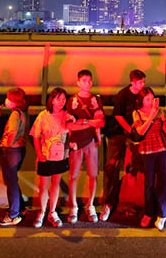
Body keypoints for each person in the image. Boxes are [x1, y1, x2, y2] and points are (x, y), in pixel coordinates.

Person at [101, 69, 146, 221]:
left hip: (134, 133)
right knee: (112, 166)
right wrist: (130, 129)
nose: (142, 85)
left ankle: (132, 196)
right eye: (140, 82)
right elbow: (118, 115)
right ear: (133, 82)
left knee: (137, 163)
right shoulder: (123, 94)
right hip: (118, 133)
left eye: (143, 82)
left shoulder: (142, 94)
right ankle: (108, 203)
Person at [65, 70, 105, 223]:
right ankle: (73, 206)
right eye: (84, 80)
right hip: (75, 142)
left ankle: (91, 205)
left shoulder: (96, 99)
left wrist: (82, 122)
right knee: (73, 175)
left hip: (92, 142)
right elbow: (69, 125)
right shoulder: (72, 101)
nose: (87, 83)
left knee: (93, 175)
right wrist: (88, 123)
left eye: (89, 80)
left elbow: (100, 122)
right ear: (78, 82)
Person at [30, 87, 73, 228]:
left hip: (60, 156)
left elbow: (72, 133)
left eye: (64, 99)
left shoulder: (67, 115)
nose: (61, 102)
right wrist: (39, 154)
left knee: (56, 184)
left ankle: (52, 212)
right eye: (58, 99)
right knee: (44, 186)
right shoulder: (43, 115)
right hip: (45, 155)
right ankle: (42, 211)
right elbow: (36, 136)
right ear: (52, 100)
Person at [132, 87, 166, 231]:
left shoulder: (159, 111)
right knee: (148, 183)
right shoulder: (137, 113)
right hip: (146, 150)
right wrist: (150, 116)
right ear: (142, 100)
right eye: (147, 99)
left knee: (162, 181)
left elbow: (164, 130)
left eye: (152, 98)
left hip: (161, 148)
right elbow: (140, 131)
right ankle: (148, 212)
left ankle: (163, 214)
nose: (150, 102)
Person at [0, 87, 27, 226]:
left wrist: (6, 144)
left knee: (11, 183)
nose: (6, 101)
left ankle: (13, 214)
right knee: (13, 181)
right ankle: (20, 208)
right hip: (19, 150)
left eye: (9, 98)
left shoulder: (15, 114)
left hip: (11, 151)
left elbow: (13, 133)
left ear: (14, 101)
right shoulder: (23, 112)